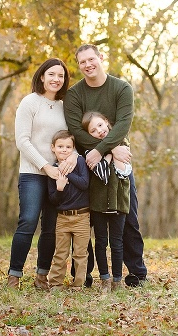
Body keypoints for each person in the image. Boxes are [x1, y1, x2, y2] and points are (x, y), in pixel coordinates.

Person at [64, 44, 148, 288]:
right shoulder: (74, 95)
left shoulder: (121, 88)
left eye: (92, 59)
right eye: (82, 62)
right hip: (87, 163)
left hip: (119, 163)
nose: (88, 65)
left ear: (101, 58)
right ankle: (84, 273)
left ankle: (137, 273)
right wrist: (107, 148)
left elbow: (123, 124)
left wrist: (106, 150)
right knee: (85, 220)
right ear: (78, 65)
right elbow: (75, 131)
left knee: (128, 214)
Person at [8, 58, 77, 290]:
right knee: (27, 221)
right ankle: (14, 276)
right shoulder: (30, 102)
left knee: (50, 227)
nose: (56, 79)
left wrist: (72, 158)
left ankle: (41, 277)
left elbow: (73, 139)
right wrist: (45, 166)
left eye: (61, 76)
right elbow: (22, 141)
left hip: (58, 174)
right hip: (32, 173)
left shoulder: (65, 105)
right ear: (41, 77)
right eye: (51, 75)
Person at [81, 111, 131, 290]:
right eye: (93, 130)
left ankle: (117, 280)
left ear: (107, 122)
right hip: (99, 203)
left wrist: (109, 154)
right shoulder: (90, 151)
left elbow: (123, 171)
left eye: (100, 125)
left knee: (117, 242)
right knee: (101, 242)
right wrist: (110, 153)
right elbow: (102, 174)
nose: (99, 131)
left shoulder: (123, 143)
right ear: (89, 135)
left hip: (119, 201)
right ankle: (104, 279)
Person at [46, 130, 90, 289]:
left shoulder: (80, 163)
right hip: (63, 218)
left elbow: (85, 183)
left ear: (73, 148)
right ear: (53, 148)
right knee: (60, 254)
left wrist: (67, 173)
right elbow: (52, 199)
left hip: (82, 216)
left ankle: (78, 284)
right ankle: (55, 284)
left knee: (80, 254)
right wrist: (59, 188)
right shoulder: (52, 170)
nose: (64, 150)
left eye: (68, 147)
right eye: (60, 146)